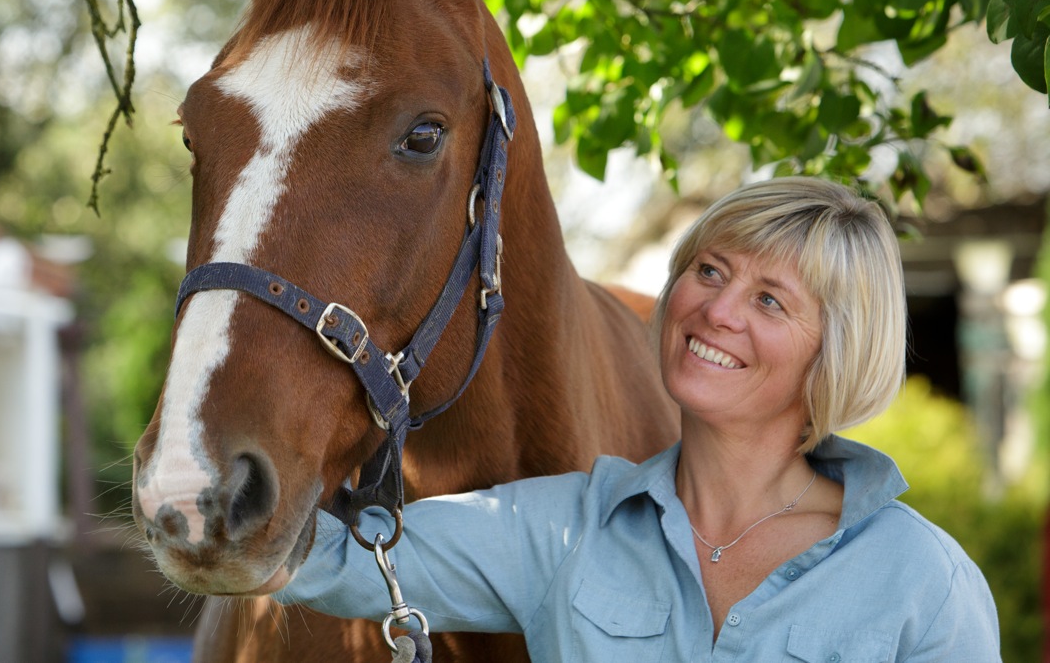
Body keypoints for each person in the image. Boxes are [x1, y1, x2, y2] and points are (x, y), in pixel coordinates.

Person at [274, 176, 1002, 661]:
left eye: (770, 300)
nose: (716, 310)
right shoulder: (563, 533)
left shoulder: (921, 580)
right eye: (710, 271)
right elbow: (323, 558)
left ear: (837, 352)